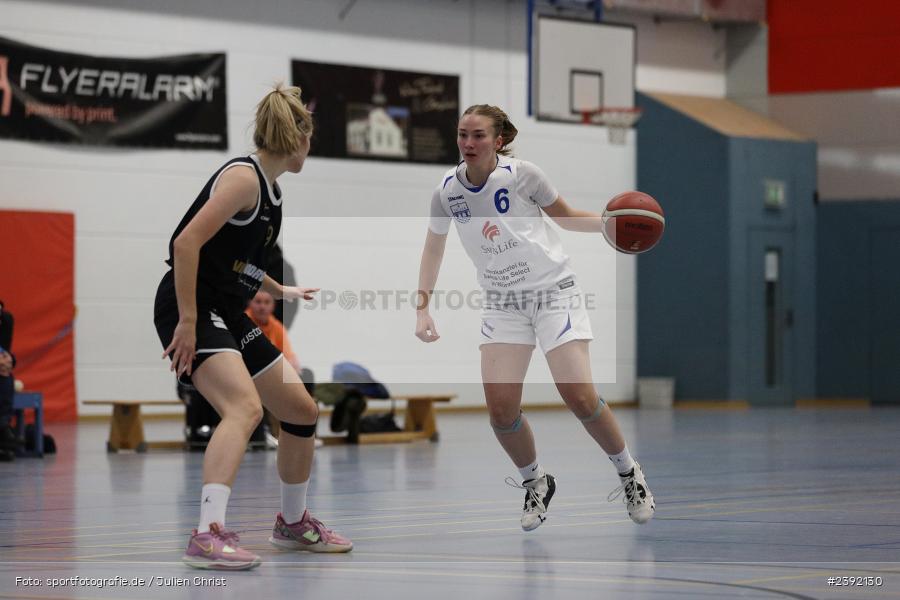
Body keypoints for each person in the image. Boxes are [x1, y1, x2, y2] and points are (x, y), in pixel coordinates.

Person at [415, 104, 655, 531]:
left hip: (552, 293)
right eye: (462, 135)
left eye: (478, 135)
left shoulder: (523, 174)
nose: (468, 143)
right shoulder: (446, 191)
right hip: (503, 304)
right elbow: (434, 248)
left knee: (579, 395)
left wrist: (609, 225)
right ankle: (536, 483)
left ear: (499, 140)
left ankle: (629, 472)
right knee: (501, 411)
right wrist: (423, 306)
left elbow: (563, 217)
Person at [154, 84, 352, 571]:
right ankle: (206, 534)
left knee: (301, 410)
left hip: (223, 305)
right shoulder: (244, 179)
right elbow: (185, 244)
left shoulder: (271, 189)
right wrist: (188, 320)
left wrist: (279, 291)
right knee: (242, 408)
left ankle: (291, 523)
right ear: (298, 138)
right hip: (191, 304)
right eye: (311, 138)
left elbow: (234, 257)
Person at [0, 300, 18, 462]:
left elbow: (4, 351)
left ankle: (3, 424)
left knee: (5, 374)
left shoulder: (5, 320)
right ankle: (3, 426)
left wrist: (8, 359)